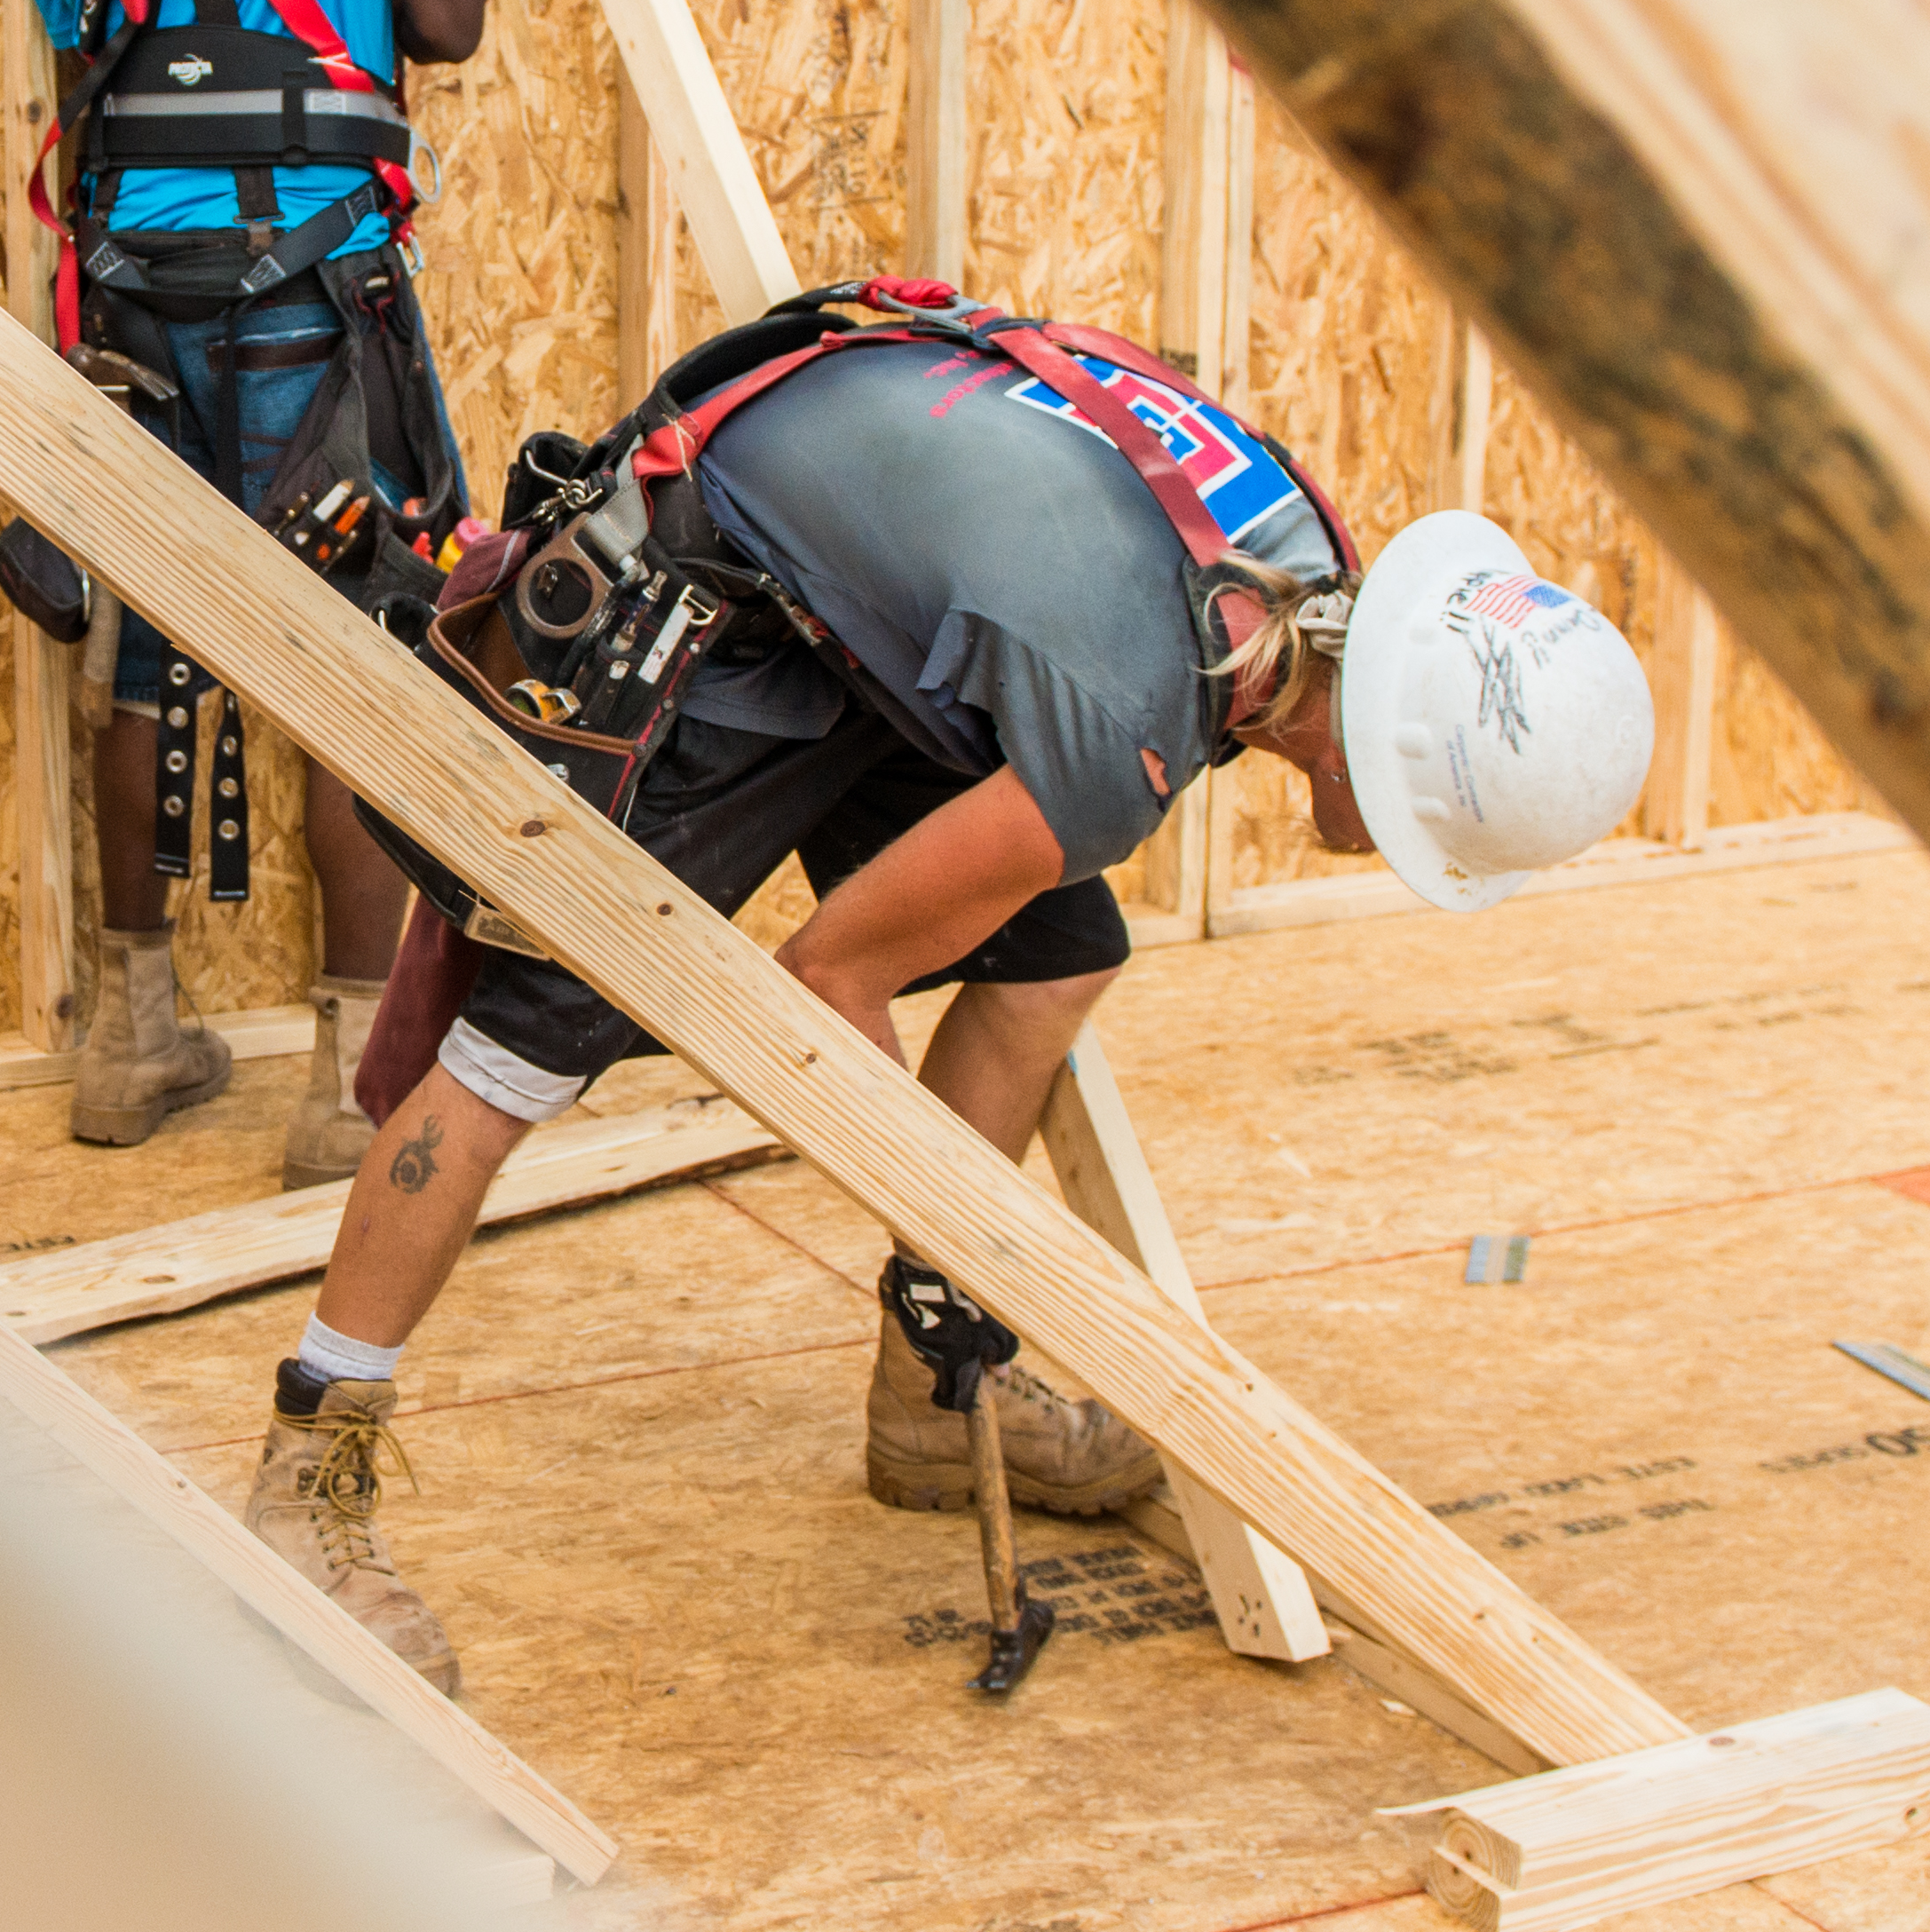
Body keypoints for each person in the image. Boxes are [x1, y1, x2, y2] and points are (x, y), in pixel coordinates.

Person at [233, 293, 1657, 1690]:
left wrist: (947, 1281)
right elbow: (830, 982)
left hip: (857, 608)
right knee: (512, 1063)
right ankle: (305, 1477)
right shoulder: (1125, 726)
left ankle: (927, 1400)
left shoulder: (1299, 549)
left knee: (1060, 952)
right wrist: (968, 1241)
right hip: (705, 604)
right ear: (1371, 771)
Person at [0, 0, 491, 1168]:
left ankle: (128, 1045)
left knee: (151, 648)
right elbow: (451, 18)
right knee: (349, 651)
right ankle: (353, 1089)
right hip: (314, 291)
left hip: (138, 303)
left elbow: (97, 98)